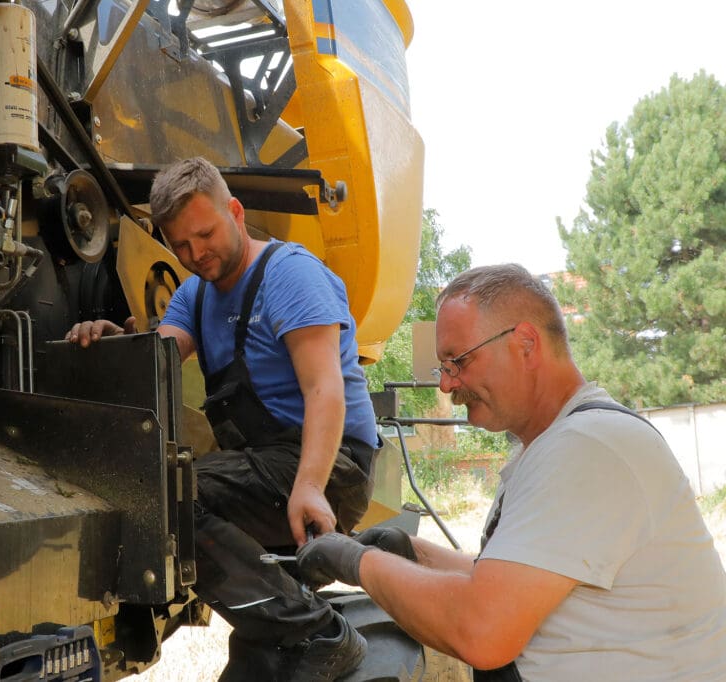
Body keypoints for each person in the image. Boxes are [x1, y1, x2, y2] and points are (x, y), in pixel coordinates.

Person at [298, 263, 726, 680]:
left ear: (525, 343)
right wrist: (411, 552)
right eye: (443, 368)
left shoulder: (588, 447)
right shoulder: (559, 444)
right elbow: (511, 583)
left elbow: (482, 632)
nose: (447, 385)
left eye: (458, 361)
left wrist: (359, 563)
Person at [66, 157, 379, 680]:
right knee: (157, 485)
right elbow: (159, 359)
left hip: (331, 466)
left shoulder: (289, 274)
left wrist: (310, 487)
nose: (195, 254)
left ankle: (314, 632)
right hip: (265, 464)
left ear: (234, 211)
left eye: (205, 235)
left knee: (171, 490)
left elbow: (325, 391)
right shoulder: (194, 295)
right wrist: (113, 341)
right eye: (181, 246)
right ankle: (280, 634)